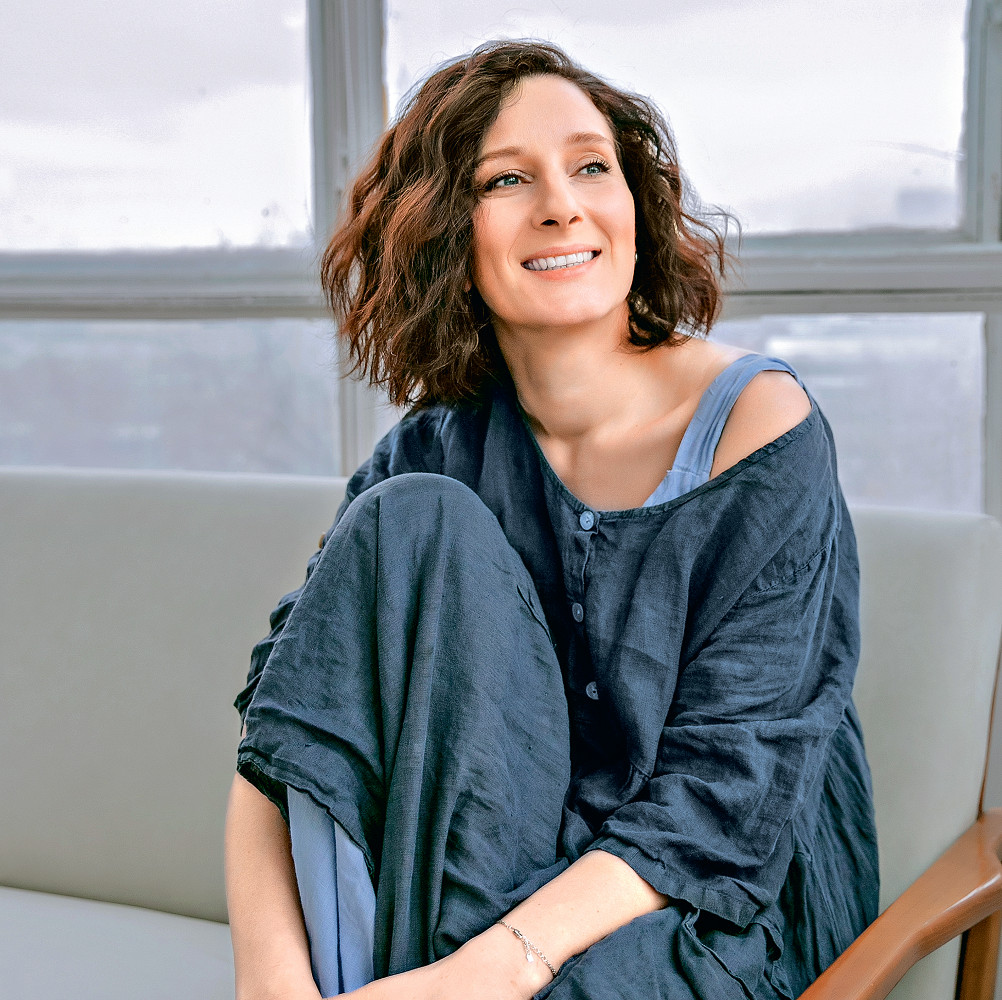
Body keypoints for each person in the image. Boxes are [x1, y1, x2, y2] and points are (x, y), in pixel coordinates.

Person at [225, 40, 878, 1000]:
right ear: (445, 234)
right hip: (488, 879)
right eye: (506, 180)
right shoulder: (436, 450)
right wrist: (268, 983)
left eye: (590, 166)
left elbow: (725, 800)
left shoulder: (760, 428)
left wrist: (484, 974)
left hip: (712, 900)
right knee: (410, 522)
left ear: (634, 204)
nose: (562, 205)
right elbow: (289, 716)